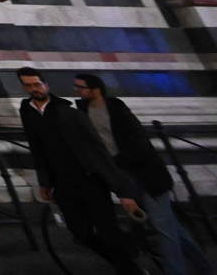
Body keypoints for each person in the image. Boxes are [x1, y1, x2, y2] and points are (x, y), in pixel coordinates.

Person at [75, 73, 213, 275]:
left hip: (147, 175)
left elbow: (137, 143)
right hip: (124, 177)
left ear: (95, 89)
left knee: (163, 228)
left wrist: (116, 162)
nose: (77, 90)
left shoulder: (117, 108)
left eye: (81, 87)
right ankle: (204, 268)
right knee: (171, 228)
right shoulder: (83, 111)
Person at [17, 67, 146, 274]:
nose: (34, 89)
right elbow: (37, 148)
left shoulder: (68, 113)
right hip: (62, 183)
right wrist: (44, 181)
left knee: (108, 231)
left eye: (37, 84)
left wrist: (122, 190)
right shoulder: (27, 111)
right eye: (28, 85)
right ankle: (126, 254)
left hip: (90, 180)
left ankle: (131, 270)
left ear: (46, 85)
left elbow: (98, 151)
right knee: (81, 234)